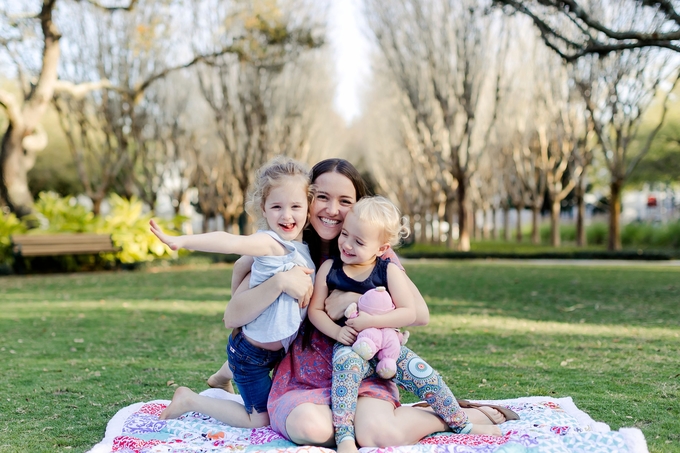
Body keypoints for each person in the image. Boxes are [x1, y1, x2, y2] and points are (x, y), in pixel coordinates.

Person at [169, 158, 510, 448]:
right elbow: (234, 315)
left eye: (344, 201)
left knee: (380, 434)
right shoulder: (286, 245)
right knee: (311, 429)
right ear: (307, 199)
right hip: (306, 375)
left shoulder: (375, 253)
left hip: (363, 370)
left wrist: (355, 299)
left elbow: (418, 313)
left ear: (357, 205)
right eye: (322, 198)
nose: (332, 211)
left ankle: (448, 415)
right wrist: (276, 281)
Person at [308, 196, 506, 452]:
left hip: (389, 348)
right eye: (345, 234)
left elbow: (409, 312)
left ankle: (461, 423)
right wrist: (337, 331)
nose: (346, 244)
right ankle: (344, 435)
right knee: (344, 372)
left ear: (381, 248)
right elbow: (315, 310)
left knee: (424, 374)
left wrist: (373, 321)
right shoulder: (330, 269)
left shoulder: (387, 270)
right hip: (353, 346)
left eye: (358, 241)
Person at [150, 156, 315, 429]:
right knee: (259, 421)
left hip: (274, 351)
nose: (287, 216)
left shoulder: (303, 248)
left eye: (296, 206)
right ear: (263, 208)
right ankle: (189, 400)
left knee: (245, 358)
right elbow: (229, 242)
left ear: (308, 207)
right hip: (252, 356)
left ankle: (221, 376)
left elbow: (239, 268)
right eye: (276, 207)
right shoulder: (270, 243)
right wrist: (182, 241)